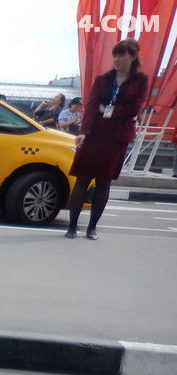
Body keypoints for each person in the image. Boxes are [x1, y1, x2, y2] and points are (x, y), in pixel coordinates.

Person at [65, 39, 148, 240]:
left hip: (117, 137)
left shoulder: (140, 81)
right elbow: (92, 106)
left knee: (104, 182)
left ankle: (92, 228)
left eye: (122, 55)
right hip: (95, 133)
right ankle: (72, 226)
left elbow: (134, 108)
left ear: (133, 57)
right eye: (115, 55)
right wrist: (84, 132)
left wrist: (109, 111)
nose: (117, 59)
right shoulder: (103, 80)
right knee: (82, 179)